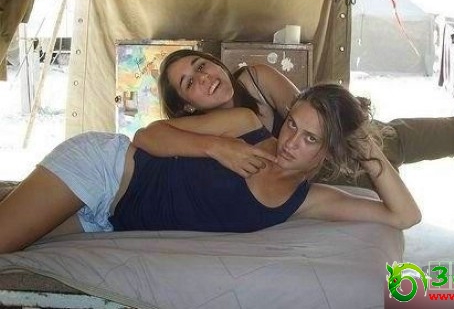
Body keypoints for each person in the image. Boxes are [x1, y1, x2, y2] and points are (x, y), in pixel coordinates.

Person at [0, 84, 421, 254]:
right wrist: (218, 148)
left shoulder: (307, 200)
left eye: (311, 139)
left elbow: (404, 216)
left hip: (108, 220)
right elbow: (147, 136)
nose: (291, 141)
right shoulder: (245, 125)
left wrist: (368, 150)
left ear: (329, 151)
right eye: (293, 123)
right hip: (106, 170)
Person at [133, 50, 454, 185]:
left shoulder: (255, 78)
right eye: (189, 83)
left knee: (391, 142)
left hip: (337, 141)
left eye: (201, 66)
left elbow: (316, 112)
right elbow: (146, 135)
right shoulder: (201, 128)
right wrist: (215, 147)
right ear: (187, 105)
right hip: (312, 183)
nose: (204, 78)